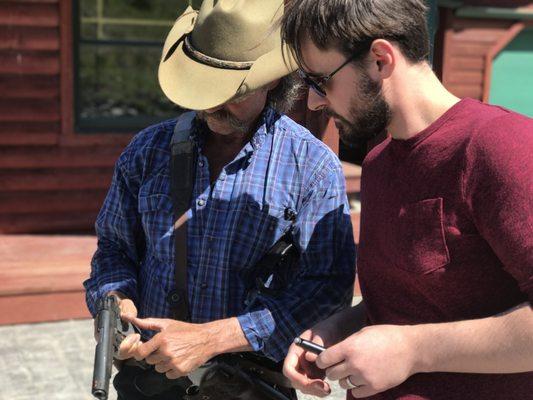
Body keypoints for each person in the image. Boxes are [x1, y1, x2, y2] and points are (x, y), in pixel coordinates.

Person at [84, 1, 356, 399]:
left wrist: (215, 338)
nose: (211, 103)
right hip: (148, 382)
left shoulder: (313, 168)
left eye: (230, 92)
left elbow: (327, 291)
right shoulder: (147, 150)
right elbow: (114, 248)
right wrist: (116, 300)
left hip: (250, 385)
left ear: (274, 82)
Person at [279, 1, 533, 399]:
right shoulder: (379, 163)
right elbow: (412, 305)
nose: (313, 102)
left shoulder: (501, 147)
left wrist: (413, 351)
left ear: (380, 59)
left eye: (320, 80)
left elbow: (410, 340)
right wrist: (336, 329)